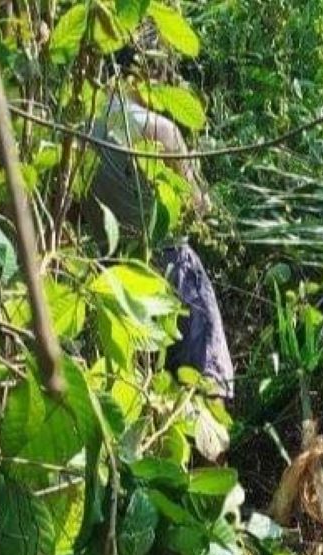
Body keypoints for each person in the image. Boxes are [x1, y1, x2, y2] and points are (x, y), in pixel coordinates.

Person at [86, 38, 234, 401]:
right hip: (169, 271)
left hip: (111, 275)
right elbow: (198, 206)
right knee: (205, 390)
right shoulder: (160, 130)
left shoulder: (82, 130)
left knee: (136, 392)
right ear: (147, 72)